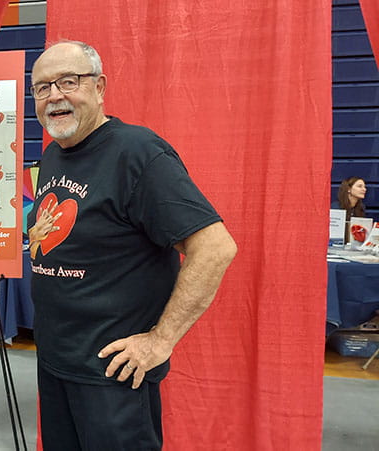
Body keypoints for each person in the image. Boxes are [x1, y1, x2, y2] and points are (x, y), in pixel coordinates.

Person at [27, 41, 238, 450]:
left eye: (68, 81)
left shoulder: (138, 152)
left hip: (113, 374)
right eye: (41, 87)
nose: (54, 96)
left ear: (99, 86)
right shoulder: (53, 156)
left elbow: (214, 247)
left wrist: (160, 340)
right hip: (56, 363)